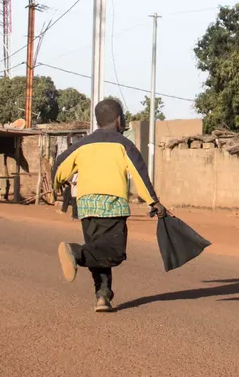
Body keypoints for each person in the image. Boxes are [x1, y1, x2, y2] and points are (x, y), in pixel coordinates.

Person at [52, 98, 166, 312]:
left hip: (86, 206)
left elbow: (60, 166)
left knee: (98, 251)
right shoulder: (123, 144)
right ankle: (75, 253)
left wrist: (56, 183)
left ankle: (102, 295)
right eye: (123, 118)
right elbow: (140, 174)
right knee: (113, 252)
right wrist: (154, 201)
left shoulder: (82, 145)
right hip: (112, 204)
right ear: (118, 120)